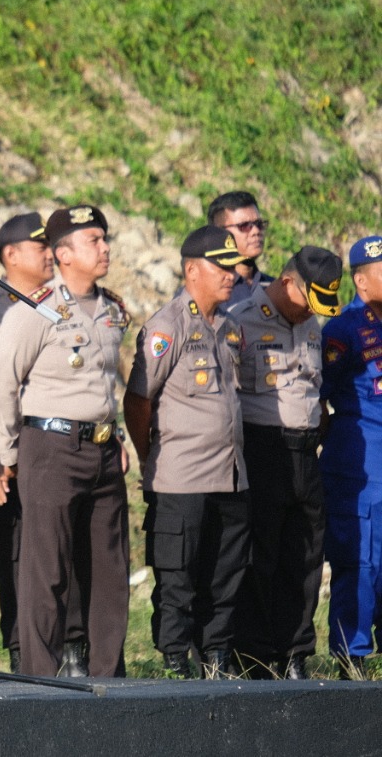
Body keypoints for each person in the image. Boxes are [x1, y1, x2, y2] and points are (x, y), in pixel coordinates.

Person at [0, 204, 131, 679]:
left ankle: (108, 675)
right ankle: (39, 678)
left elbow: (108, 381)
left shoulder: (111, 308)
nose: (105, 248)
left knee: (109, 569)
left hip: (103, 449)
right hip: (51, 448)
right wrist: (8, 454)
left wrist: (119, 434)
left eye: (104, 239)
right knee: (45, 570)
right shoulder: (37, 309)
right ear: (63, 253)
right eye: (94, 241)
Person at [125, 225, 248, 679]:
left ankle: (216, 656)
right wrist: (148, 456)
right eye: (221, 265)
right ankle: (176, 661)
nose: (231, 274)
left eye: (233, 265)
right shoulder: (167, 326)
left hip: (231, 477)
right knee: (178, 578)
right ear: (192, 269)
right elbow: (138, 400)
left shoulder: (231, 328)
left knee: (226, 575)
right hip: (180, 478)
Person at [231, 247, 342, 679]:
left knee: (306, 555)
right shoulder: (242, 320)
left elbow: (316, 390)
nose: (309, 313)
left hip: (305, 452)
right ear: (286, 283)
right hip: (261, 449)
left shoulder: (311, 323)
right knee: (261, 554)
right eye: (306, 301)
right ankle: (256, 656)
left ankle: (294, 653)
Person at [0, 211, 65, 674]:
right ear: (10, 255)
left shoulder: (64, 303)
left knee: (64, 547)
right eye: (39, 245)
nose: (50, 253)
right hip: (14, 448)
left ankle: (69, 646)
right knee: (16, 550)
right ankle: (19, 646)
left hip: (61, 446)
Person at [321, 235, 382, 678]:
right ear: (361, 282)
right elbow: (314, 397)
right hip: (358, 471)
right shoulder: (342, 330)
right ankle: (351, 659)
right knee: (359, 562)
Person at [207, 191, 274, 308]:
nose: (256, 231)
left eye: (259, 224)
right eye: (244, 226)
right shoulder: (205, 292)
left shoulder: (274, 288)